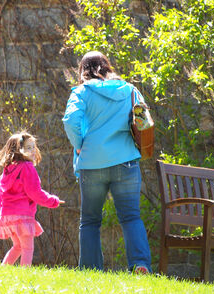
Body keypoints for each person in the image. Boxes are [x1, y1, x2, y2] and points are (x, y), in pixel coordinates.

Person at [62, 51, 152, 273]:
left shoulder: (81, 92)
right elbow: (143, 120)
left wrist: (80, 144)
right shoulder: (129, 89)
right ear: (107, 67)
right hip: (126, 161)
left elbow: (70, 121)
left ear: (83, 71)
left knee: (90, 221)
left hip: (92, 164)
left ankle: (92, 270)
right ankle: (140, 264)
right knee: (131, 216)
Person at [0, 131, 65, 266]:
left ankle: (2, 271)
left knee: (18, 246)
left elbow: (1, 194)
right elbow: (35, 192)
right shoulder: (27, 167)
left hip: (7, 215)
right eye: (28, 148)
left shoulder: (8, 169)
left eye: (33, 147)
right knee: (27, 248)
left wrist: (4, 213)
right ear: (18, 150)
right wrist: (53, 201)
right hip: (22, 215)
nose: (32, 151)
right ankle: (24, 276)